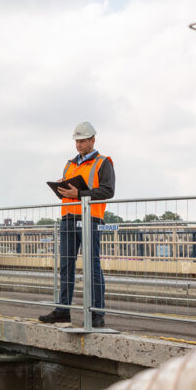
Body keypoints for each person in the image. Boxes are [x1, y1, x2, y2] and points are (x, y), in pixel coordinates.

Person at [39, 122, 115, 328]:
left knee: (92, 267)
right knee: (66, 267)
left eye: (82, 141)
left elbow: (108, 191)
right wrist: (62, 188)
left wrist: (79, 194)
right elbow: (72, 189)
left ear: (92, 140)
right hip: (68, 220)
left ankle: (97, 314)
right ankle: (63, 311)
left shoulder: (103, 162)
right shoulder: (70, 164)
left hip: (90, 219)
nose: (79, 145)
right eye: (77, 141)